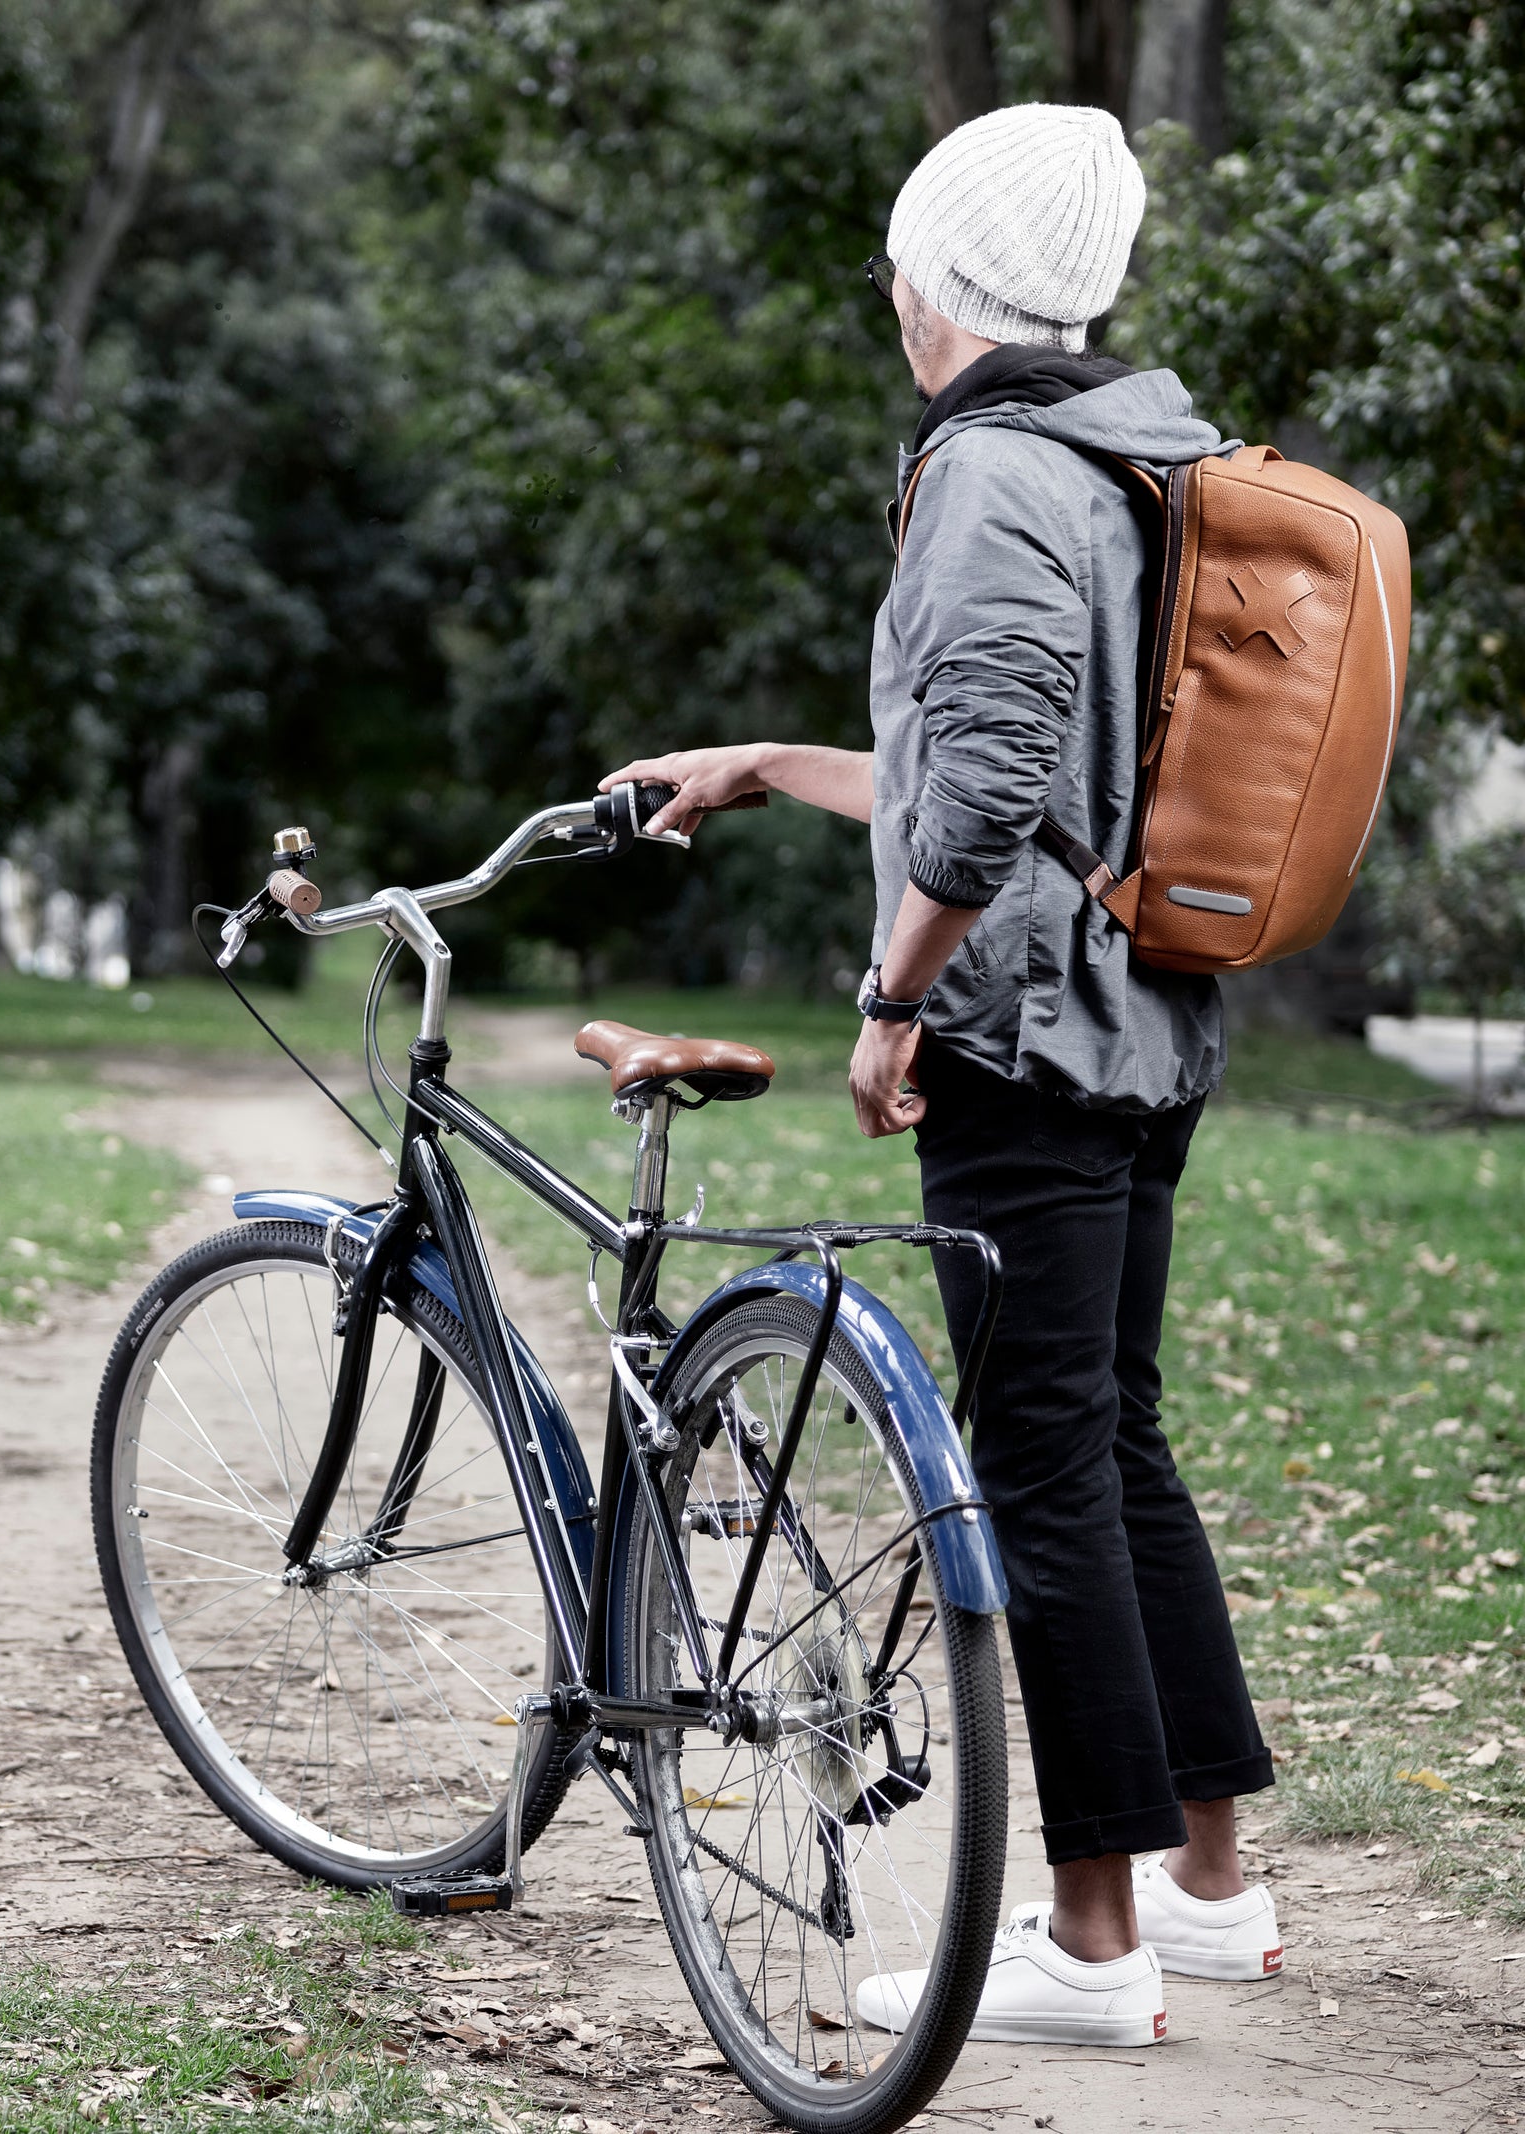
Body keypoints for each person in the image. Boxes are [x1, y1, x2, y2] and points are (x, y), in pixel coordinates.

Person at [601, 102, 1280, 2049]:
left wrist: (891, 997)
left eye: (902, 264)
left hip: (1026, 1037)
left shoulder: (990, 462)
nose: (892, 296)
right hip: (1145, 1009)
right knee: (1110, 1433)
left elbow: (983, 790)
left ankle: (1087, 1936)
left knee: (1038, 1461)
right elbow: (1025, 771)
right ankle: (1205, 1885)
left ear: (944, 283)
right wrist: (762, 760)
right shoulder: (1140, 456)